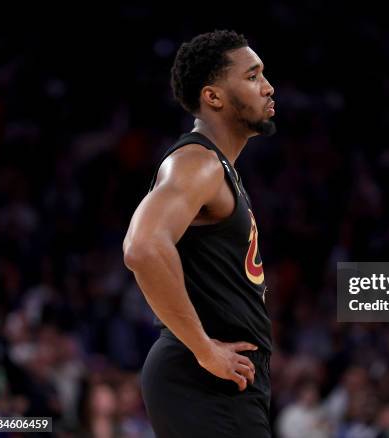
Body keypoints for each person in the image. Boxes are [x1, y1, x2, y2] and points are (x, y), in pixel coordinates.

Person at [123, 29, 276, 437]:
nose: (268, 87)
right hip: (203, 378)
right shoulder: (197, 162)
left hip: (219, 380)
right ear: (213, 97)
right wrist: (204, 347)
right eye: (252, 76)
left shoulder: (220, 170)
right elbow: (143, 247)